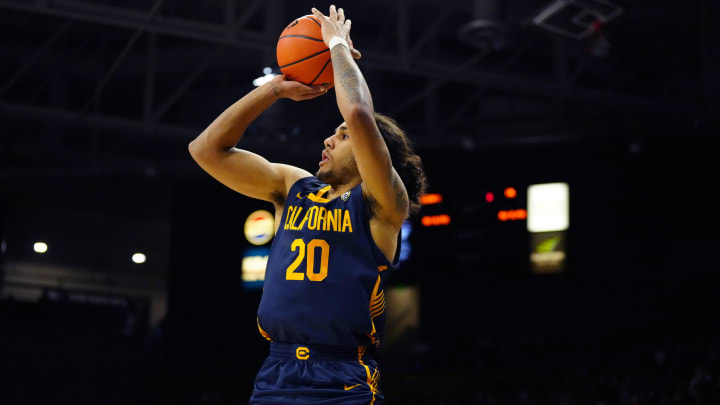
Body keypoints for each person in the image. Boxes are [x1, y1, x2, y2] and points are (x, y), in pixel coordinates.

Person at [188, 5, 427, 404]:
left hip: (343, 378)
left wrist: (337, 47)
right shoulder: (292, 185)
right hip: (276, 372)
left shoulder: (383, 204)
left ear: (373, 153)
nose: (328, 140)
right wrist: (273, 90)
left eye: (343, 136)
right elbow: (205, 150)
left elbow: (358, 112)